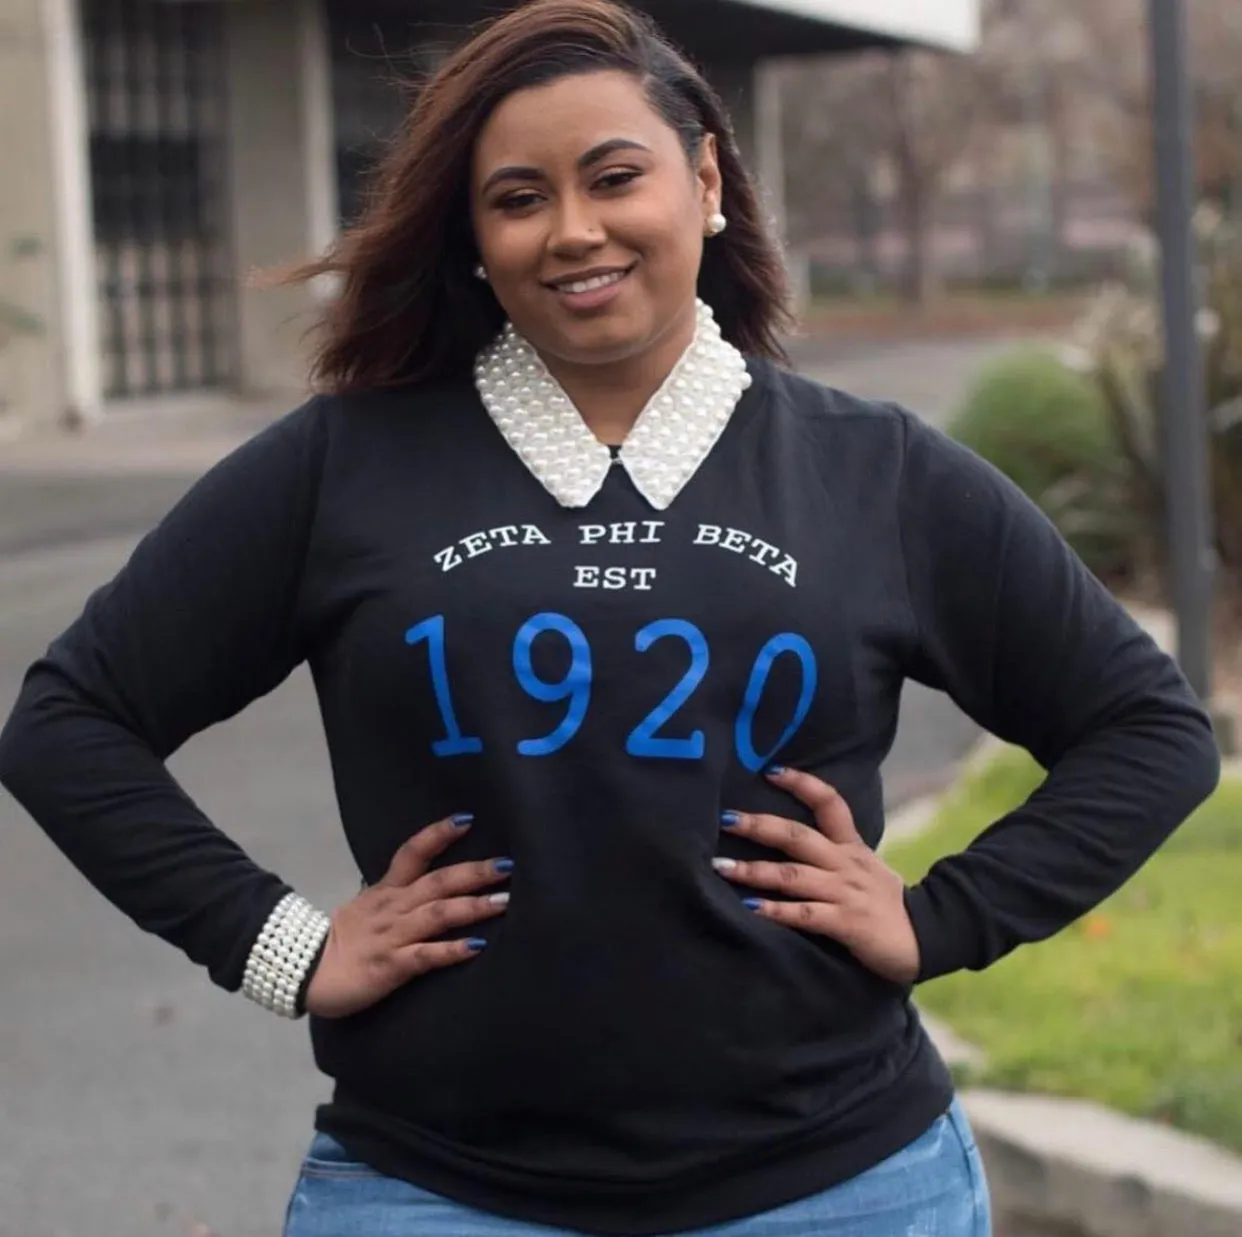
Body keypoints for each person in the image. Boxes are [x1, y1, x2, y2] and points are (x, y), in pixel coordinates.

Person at [0, 0, 1221, 1233]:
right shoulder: (344, 467)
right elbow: (69, 722)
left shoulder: (875, 472)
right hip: (438, 1192)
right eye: (518, 197)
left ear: (704, 181)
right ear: (473, 236)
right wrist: (283, 947)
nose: (573, 230)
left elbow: (1145, 730)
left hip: (842, 1190)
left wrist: (935, 916)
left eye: (614, 177)